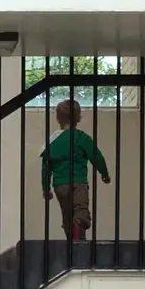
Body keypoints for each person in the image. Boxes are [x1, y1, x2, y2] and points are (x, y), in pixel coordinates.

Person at [41, 98, 111, 241]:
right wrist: (104, 173)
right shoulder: (81, 137)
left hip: (60, 184)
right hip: (79, 182)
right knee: (80, 211)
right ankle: (79, 235)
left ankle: (70, 242)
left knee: (67, 214)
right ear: (78, 117)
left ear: (58, 118)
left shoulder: (52, 142)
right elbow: (96, 156)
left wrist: (45, 187)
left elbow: (45, 166)